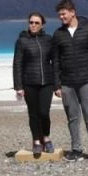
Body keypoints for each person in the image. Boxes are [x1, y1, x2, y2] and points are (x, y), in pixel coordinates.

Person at [52, 0, 88, 162]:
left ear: (72, 12)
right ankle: (76, 149)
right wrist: (57, 85)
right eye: (59, 15)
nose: (61, 17)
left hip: (87, 81)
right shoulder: (58, 34)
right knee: (73, 118)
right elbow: (56, 61)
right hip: (67, 83)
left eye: (64, 14)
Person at [13, 11, 55, 155]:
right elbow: (17, 64)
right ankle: (36, 141)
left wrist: (58, 83)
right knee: (33, 114)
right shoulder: (22, 41)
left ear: (42, 24)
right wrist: (18, 86)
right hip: (29, 83)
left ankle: (46, 138)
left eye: (36, 23)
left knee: (44, 112)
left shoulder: (49, 40)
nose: (33, 25)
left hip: (47, 83)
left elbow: (55, 62)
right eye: (31, 22)